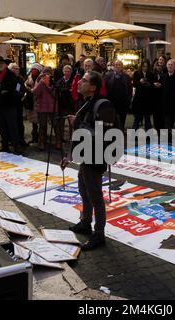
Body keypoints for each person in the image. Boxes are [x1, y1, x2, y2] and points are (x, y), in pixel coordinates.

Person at [62, 71, 118, 250]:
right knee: (83, 189)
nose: (79, 83)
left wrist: (78, 124)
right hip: (86, 154)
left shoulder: (104, 105)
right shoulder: (85, 103)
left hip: (97, 156)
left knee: (95, 195)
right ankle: (85, 222)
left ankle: (99, 234)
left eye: (84, 81)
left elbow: (104, 134)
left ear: (93, 87)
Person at [0, 56, 22, 155]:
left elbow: (13, 88)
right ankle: (5, 145)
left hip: (9, 105)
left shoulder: (11, 74)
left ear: (5, 64)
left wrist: (0, 87)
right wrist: (2, 90)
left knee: (12, 126)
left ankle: (16, 146)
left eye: (1, 64)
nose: (0, 65)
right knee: (0, 126)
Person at [33, 67, 60, 151]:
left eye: (49, 73)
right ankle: (45, 142)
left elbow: (56, 95)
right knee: (46, 125)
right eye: (46, 73)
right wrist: (42, 83)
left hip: (48, 106)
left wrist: (46, 84)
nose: (47, 75)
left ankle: (51, 142)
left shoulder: (50, 80)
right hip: (47, 107)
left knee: (51, 125)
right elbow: (35, 92)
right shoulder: (42, 81)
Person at [104, 60, 132, 130]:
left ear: (122, 67)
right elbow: (105, 88)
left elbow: (130, 89)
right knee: (112, 119)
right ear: (114, 66)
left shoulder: (126, 77)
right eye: (116, 65)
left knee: (122, 119)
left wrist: (128, 99)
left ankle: (121, 131)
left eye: (119, 65)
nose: (118, 66)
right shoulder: (108, 76)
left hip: (123, 102)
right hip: (112, 102)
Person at [8, 63, 28, 147]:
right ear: (10, 69)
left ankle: (21, 139)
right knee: (11, 123)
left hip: (18, 103)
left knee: (19, 123)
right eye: (15, 68)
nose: (17, 70)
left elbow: (22, 89)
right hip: (10, 104)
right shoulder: (8, 78)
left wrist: (21, 95)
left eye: (18, 69)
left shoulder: (20, 78)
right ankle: (12, 140)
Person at [131, 59, 155, 131]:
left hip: (147, 99)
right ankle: (133, 135)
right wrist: (140, 82)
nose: (145, 68)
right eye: (143, 66)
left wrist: (149, 84)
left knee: (147, 119)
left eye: (146, 66)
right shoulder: (136, 73)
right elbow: (134, 84)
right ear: (141, 66)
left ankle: (149, 136)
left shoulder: (150, 74)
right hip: (139, 99)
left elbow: (152, 85)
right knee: (137, 119)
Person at [55, 64, 75, 143]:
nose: (67, 73)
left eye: (68, 71)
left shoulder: (73, 80)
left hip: (70, 104)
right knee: (61, 122)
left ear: (71, 72)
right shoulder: (60, 80)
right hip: (62, 104)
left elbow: (71, 89)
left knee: (71, 122)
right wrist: (66, 89)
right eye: (65, 71)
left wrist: (63, 89)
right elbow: (57, 87)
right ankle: (61, 137)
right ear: (63, 72)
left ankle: (71, 137)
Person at [24, 63, 42, 144]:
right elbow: (25, 85)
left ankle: (41, 138)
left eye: (35, 69)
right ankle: (34, 137)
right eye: (32, 69)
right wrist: (28, 88)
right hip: (31, 101)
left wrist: (33, 90)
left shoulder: (41, 78)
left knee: (41, 120)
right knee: (34, 121)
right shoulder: (29, 78)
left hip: (39, 101)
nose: (33, 71)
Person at [152, 55, 167, 132]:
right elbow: (151, 80)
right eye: (159, 59)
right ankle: (156, 128)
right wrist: (153, 84)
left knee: (162, 114)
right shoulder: (154, 70)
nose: (160, 61)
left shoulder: (166, 70)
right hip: (155, 95)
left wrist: (161, 85)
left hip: (163, 95)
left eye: (162, 60)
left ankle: (162, 129)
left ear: (165, 61)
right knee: (155, 114)